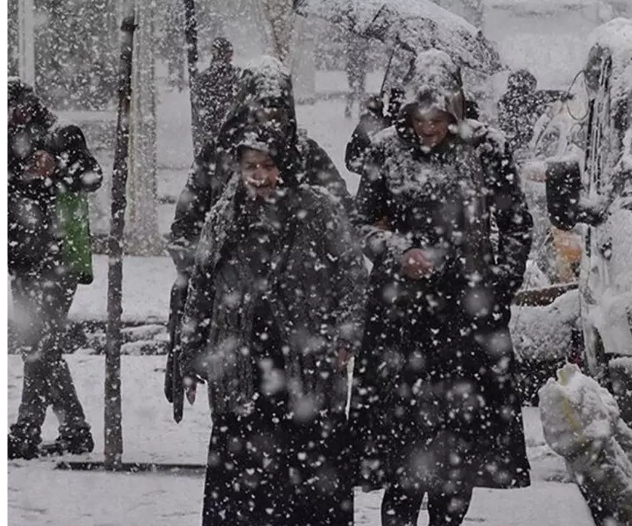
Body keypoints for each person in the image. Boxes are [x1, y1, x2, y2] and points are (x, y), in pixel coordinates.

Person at [350, 49, 534, 526]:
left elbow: (516, 224)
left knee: (459, 454)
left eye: (438, 116)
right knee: (401, 455)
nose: (428, 126)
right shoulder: (386, 149)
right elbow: (361, 223)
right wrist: (396, 250)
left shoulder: (486, 147)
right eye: (419, 116)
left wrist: (497, 287)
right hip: (399, 321)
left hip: (466, 322)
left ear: (455, 107)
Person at [176, 122, 367, 526]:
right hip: (241, 365)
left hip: (307, 367)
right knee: (243, 488)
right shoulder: (224, 215)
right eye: (250, 166)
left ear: (287, 166)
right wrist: (190, 355)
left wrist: (347, 332)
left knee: (309, 482)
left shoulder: (318, 210)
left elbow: (352, 272)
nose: (259, 176)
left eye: (267, 165)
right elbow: (201, 286)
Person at [164, 56, 351, 414]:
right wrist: (218, 268)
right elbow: (184, 230)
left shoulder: (308, 156)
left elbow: (345, 224)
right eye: (262, 108)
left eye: (279, 109)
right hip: (235, 319)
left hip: (301, 318)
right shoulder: (218, 157)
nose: (271, 118)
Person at [7, 79, 102, 460]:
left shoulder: (61, 133)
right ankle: (74, 429)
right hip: (21, 259)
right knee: (39, 345)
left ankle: (27, 430)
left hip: (59, 258)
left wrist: (56, 168)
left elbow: (91, 176)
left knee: (39, 344)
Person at [193, 37, 242, 154]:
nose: (230, 55)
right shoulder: (237, 75)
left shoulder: (203, 78)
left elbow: (199, 108)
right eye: (227, 52)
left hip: (218, 132)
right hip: (227, 132)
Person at [497, 69, 542, 154]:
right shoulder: (526, 99)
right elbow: (544, 95)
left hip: (508, 141)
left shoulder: (503, 100)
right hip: (520, 141)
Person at [345, 37, 370, 119]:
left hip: (355, 68)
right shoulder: (362, 42)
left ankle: (351, 108)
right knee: (358, 89)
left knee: (355, 88)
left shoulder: (352, 43)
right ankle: (357, 108)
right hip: (356, 68)